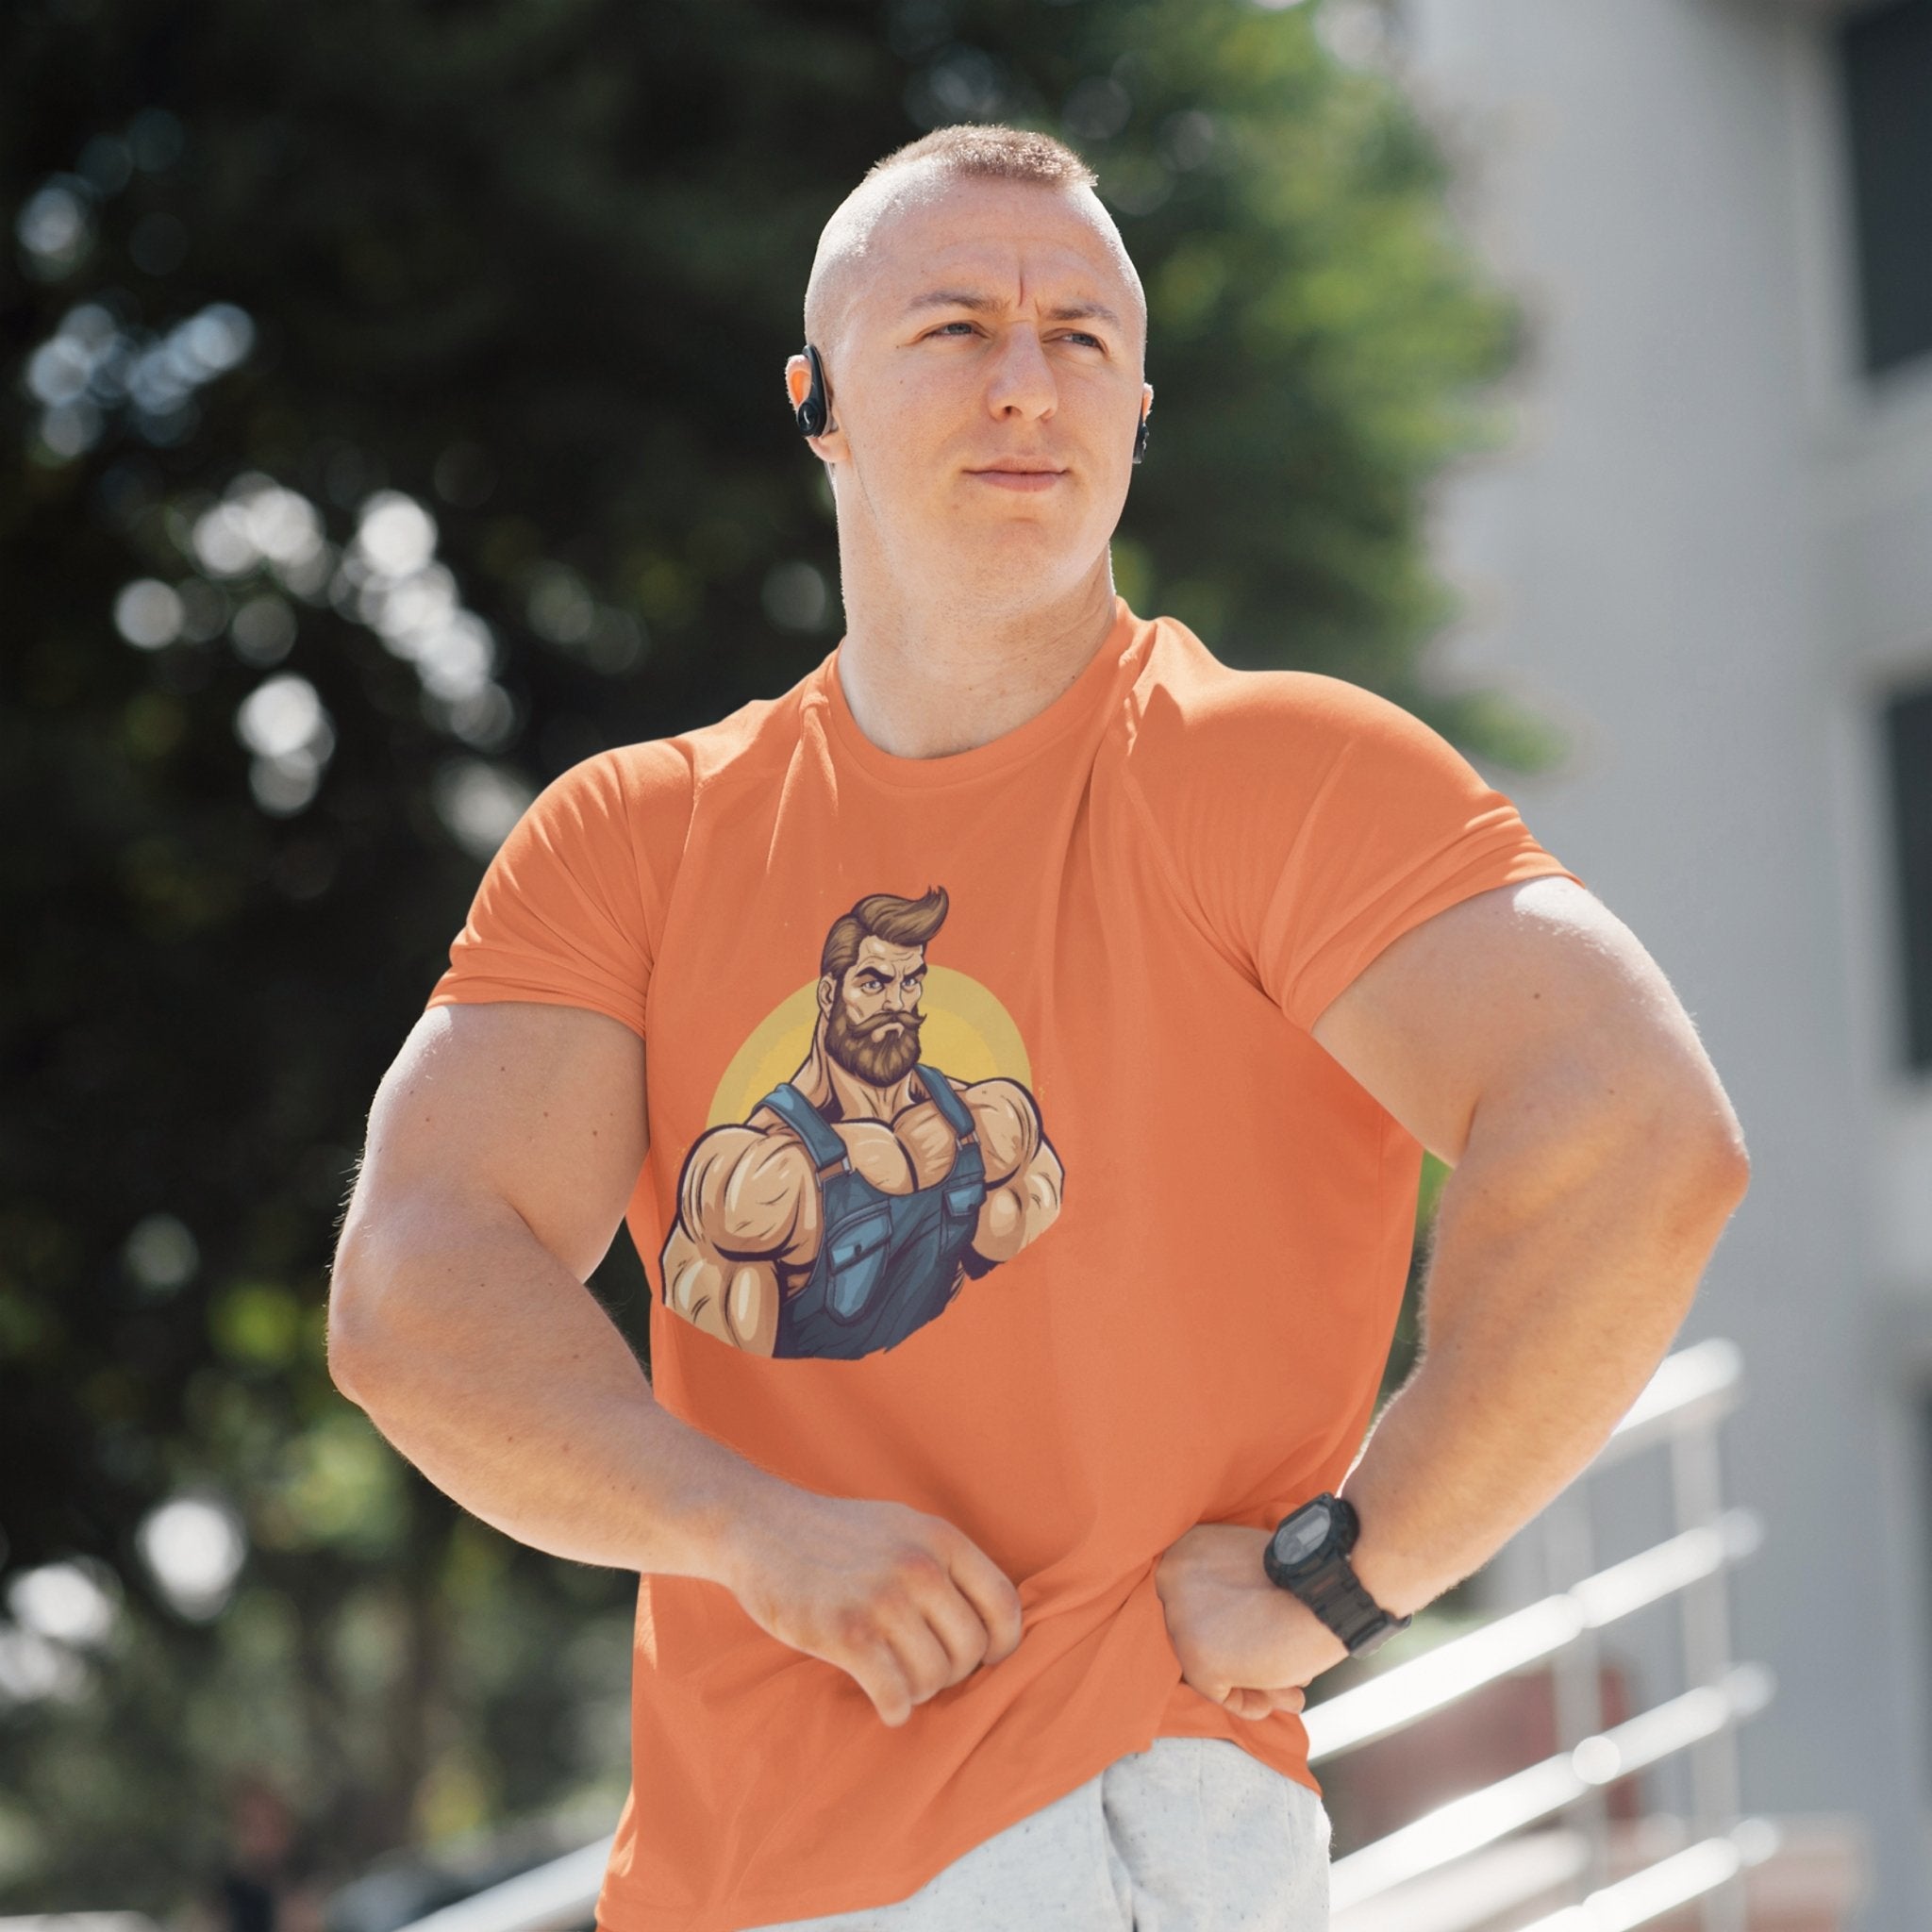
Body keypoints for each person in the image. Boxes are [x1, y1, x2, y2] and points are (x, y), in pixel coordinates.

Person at [326, 123, 1751, 1932]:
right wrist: (744, 1525)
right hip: (704, 1880)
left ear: (1140, 411)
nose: (1028, 385)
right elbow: (415, 1286)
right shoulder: (638, 838)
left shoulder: (1273, 775)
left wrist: (1356, 1567)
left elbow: (1636, 1129)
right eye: (954, 330)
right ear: (818, 400)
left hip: (1102, 1844)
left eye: (1082, 338)